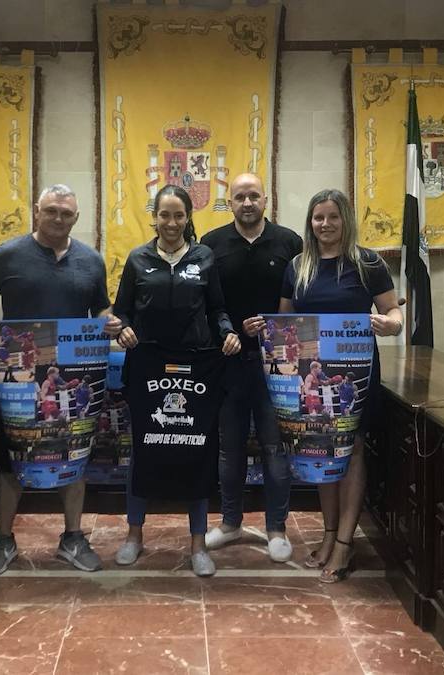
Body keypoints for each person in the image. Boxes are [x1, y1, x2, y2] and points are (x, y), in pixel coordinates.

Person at [0, 184, 122, 576]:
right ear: (36, 210)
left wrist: (110, 321)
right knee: (13, 457)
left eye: (66, 213)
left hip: (74, 374)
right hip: (19, 377)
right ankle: (4, 538)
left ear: (76, 218)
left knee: (74, 453)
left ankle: (73, 537)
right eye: (51, 211)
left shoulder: (91, 260)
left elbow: (101, 307)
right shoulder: (8, 254)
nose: (58, 219)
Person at [246, 188, 403, 583]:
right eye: (319, 217)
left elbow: (393, 310)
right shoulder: (298, 265)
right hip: (310, 377)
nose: (326, 224)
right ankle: (329, 533)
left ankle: (345, 543)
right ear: (310, 222)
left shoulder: (368, 263)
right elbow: (285, 321)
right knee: (321, 449)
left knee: (351, 451)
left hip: (355, 375)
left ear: (345, 219)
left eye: (333, 216)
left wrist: (391, 324)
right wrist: (261, 328)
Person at [113, 184, 241, 577]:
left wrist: (228, 332)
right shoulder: (138, 259)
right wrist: (123, 329)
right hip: (147, 364)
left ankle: (198, 544)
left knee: (197, 450)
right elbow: (121, 312)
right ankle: (134, 535)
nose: (171, 223)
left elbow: (217, 308)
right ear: (154, 217)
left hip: (196, 364)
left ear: (188, 218)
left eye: (179, 215)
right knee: (143, 448)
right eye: (164, 215)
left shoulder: (204, 257)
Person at [199, 173, 302, 562]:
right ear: (230, 202)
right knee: (230, 449)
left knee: (275, 448)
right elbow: (207, 304)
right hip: (229, 364)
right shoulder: (211, 243)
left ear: (266, 200)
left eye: (253, 196)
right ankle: (230, 523)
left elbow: (301, 300)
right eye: (240, 196)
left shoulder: (290, 242)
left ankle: (277, 528)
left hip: (279, 368)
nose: (247, 203)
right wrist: (229, 331)